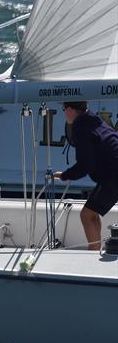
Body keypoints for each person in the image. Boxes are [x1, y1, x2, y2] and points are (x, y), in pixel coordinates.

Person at [53, 101, 118, 251]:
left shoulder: (81, 126)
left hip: (113, 175)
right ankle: (95, 250)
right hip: (112, 173)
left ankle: (93, 255)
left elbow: (86, 165)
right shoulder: (93, 118)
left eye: (64, 109)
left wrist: (65, 175)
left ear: (69, 109)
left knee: (86, 215)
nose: (64, 113)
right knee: (92, 214)